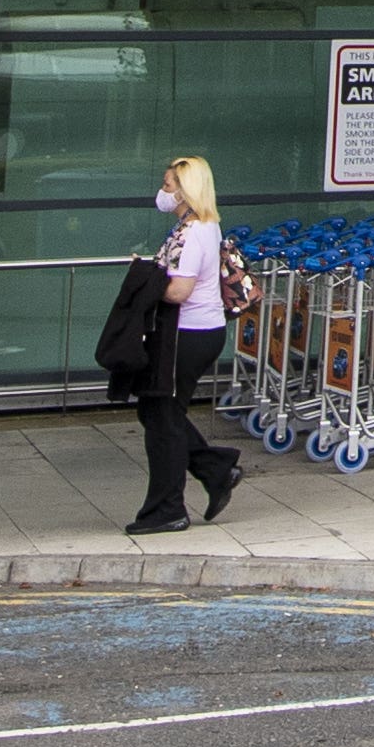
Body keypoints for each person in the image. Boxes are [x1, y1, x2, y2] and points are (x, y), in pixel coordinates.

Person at [128, 153, 242, 535]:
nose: (163, 192)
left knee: (163, 419)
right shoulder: (201, 226)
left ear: (186, 191)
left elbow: (178, 290)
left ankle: (168, 509)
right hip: (196, 333)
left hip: (187, 334)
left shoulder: (193, 232)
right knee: (159, 412)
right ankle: (215, 470)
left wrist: (143, 279)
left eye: (168, 185)